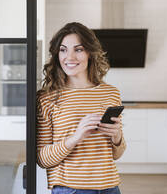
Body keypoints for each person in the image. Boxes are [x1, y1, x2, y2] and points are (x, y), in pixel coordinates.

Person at [36, 22, 126, 194]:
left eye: (78, 49)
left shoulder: (110, 93)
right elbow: (42, 159)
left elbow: (116, 154)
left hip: (110, 187)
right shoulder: (46, 98)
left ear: (90, 53)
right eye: (63, 50)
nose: (69, 57)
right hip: (71, 190)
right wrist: (76, 137)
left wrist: (117, 136)